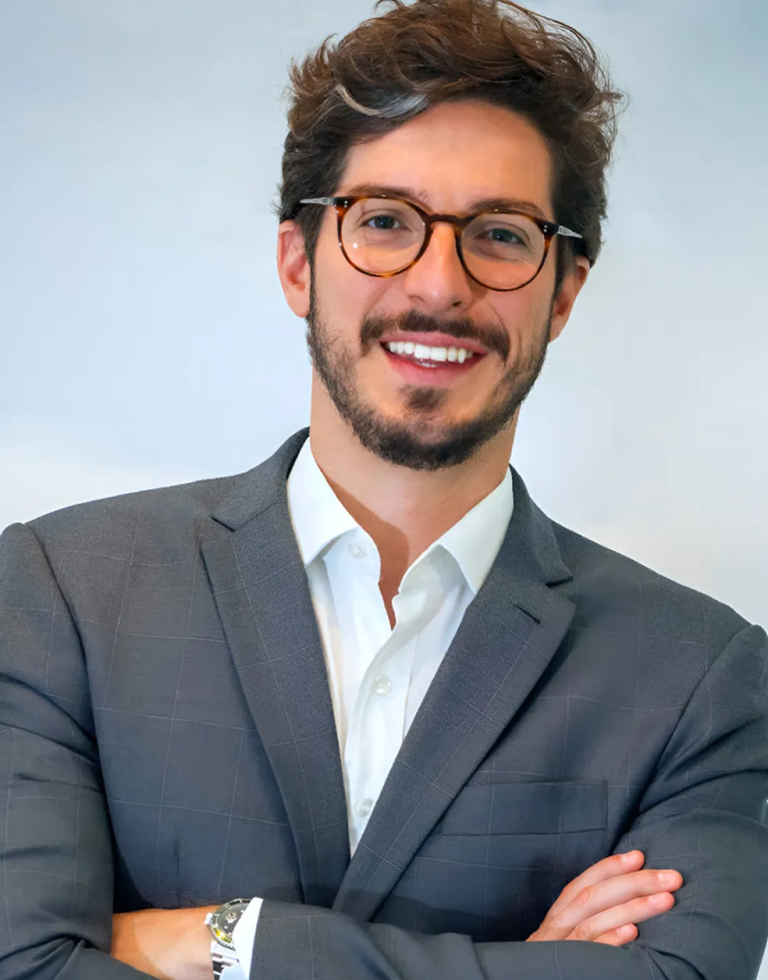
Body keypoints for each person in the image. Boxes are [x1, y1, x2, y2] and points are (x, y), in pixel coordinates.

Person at [1, 0, 767, 978]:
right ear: (298, 264)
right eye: (385, 222)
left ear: (564, 293)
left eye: (500, 234)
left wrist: (229, 938)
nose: (439, 285)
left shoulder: (701, 676)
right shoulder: (63, 590)